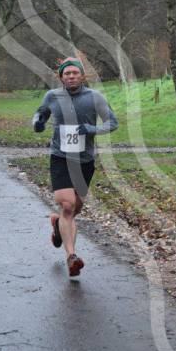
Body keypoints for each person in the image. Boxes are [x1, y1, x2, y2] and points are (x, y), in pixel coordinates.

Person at [32, 58, 118, 277]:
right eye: (66, 73)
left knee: (74, 210)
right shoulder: (52, 96)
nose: (70, 76)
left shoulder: (95, 97)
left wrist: (91, 128)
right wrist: (38, 122)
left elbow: (113, 123)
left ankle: (57, 227)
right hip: (60, 157)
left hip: (85, 160)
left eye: (74, 73)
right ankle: (71, 256)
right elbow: (40, 114)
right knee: (68, 206)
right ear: (61, 77)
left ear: (82, 75)